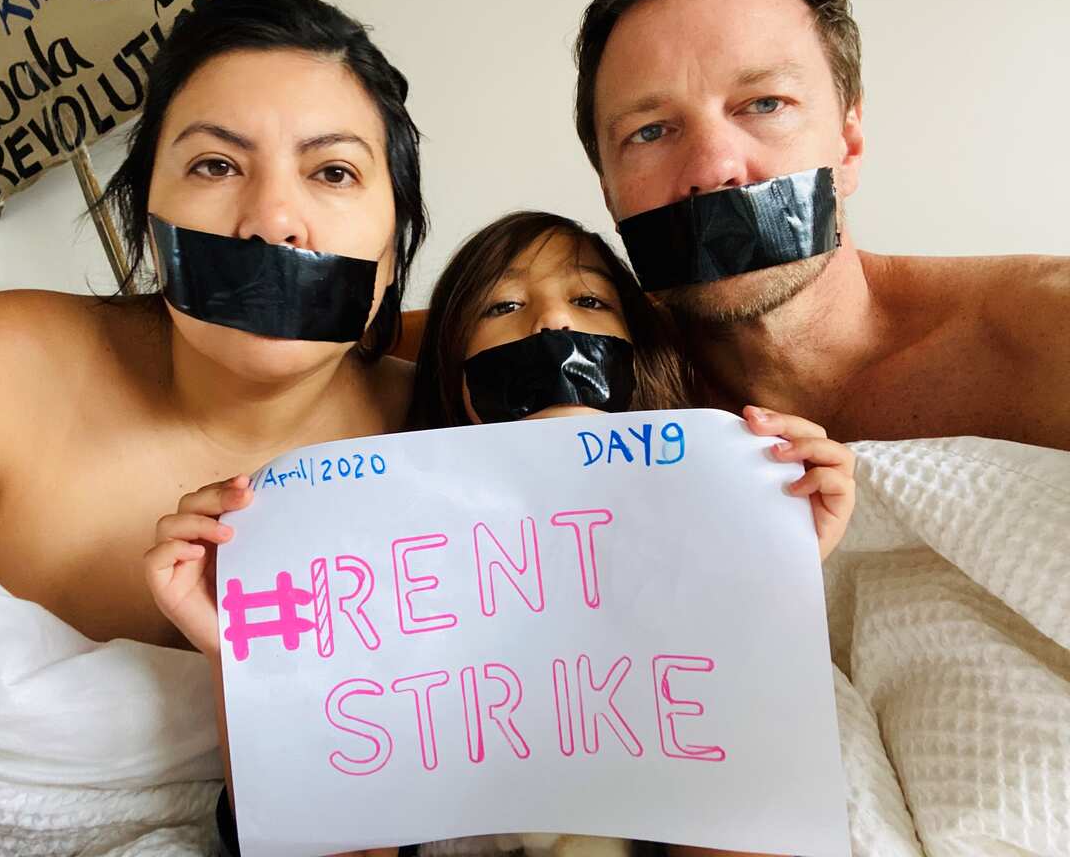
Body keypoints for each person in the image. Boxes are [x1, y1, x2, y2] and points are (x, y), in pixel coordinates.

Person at [0, 0, 427, 856]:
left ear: (392, 254)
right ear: (145, 220)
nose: (274, 220)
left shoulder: (446, 443)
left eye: (333, 171)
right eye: (213, 165)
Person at [149, 211, 855, 857]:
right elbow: (320, 820)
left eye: (590, 301)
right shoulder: (384, 555)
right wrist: (243, 657)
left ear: (638, 355)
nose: (551, 325)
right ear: (456, 377)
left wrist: (776, 560)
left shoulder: (703, 520)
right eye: (504, 306)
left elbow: (752, 791)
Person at [575, 0, 1070, 449]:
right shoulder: (588, 394)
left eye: (765, 103)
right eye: (649, 132)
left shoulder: (1048, 333)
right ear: (610, 191)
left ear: (849, 145)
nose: (715, 169)